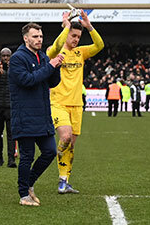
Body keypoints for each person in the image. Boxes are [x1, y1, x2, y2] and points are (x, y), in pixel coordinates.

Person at [47, 10, 103, 194]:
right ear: (67, 33)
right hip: (58, 103)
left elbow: (100, 45)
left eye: (79, 36)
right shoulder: (55, 51)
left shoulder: (81, 53)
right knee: (64, 137)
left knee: (70, 144)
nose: (76, 39)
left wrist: (89, 26)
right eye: (73, 35)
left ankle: (64, 181)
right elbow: (56, 46)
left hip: (77, 105)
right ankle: (57, 159)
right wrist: (66, 25)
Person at [9, 22, 63, 206]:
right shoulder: (17, 58)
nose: (39, 39)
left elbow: (52, 82)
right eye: (35, 36)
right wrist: (50, 66)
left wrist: (56, 66)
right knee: (27, 156)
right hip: (24, 115)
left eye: (40, 36)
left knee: (50, 151)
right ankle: (24, 195)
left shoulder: (43, 57)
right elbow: (27, 80)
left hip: (42, 114)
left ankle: (29, 183)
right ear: (26, 38)